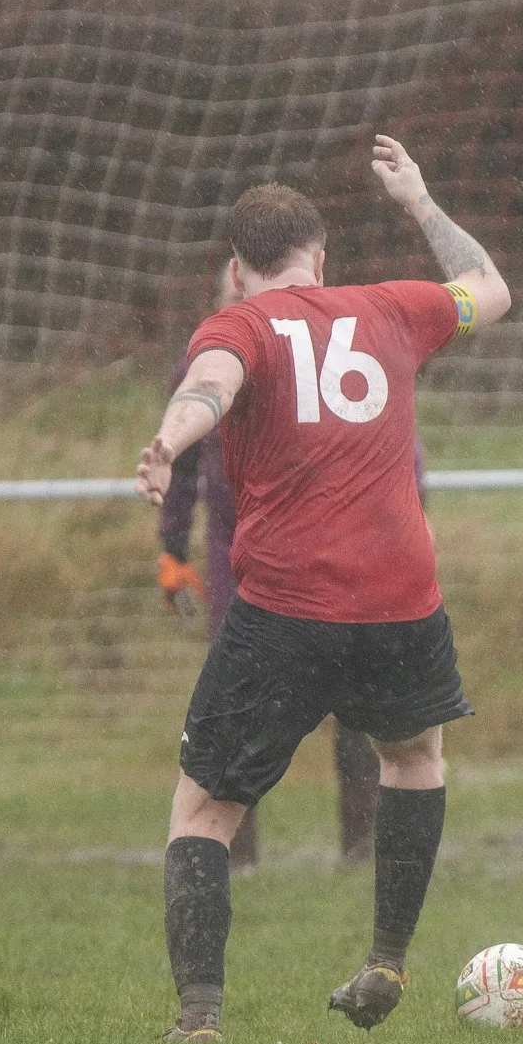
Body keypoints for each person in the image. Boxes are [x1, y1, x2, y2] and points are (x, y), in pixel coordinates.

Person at [137, 135, 511, 1042]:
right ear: (322, 258)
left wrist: (171, 437)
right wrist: (420, 202)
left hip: (286, 608)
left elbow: (210, 386)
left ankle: (200, 1018)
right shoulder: (392, 308)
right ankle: (386, 958)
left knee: (202, 808)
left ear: (237, 268)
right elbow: (491, 288)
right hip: (401, 602)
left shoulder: (238, 325)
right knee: (413, 759)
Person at [157, 268, 389, 871]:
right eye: (231, 301)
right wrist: (172, 548)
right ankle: (236, 855)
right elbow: (178, 465)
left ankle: (362, 848)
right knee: (239, 711)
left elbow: (392, 445)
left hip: (337, 560)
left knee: (357, 707)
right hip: (240, 564)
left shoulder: (327, 357)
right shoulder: (202, 369)